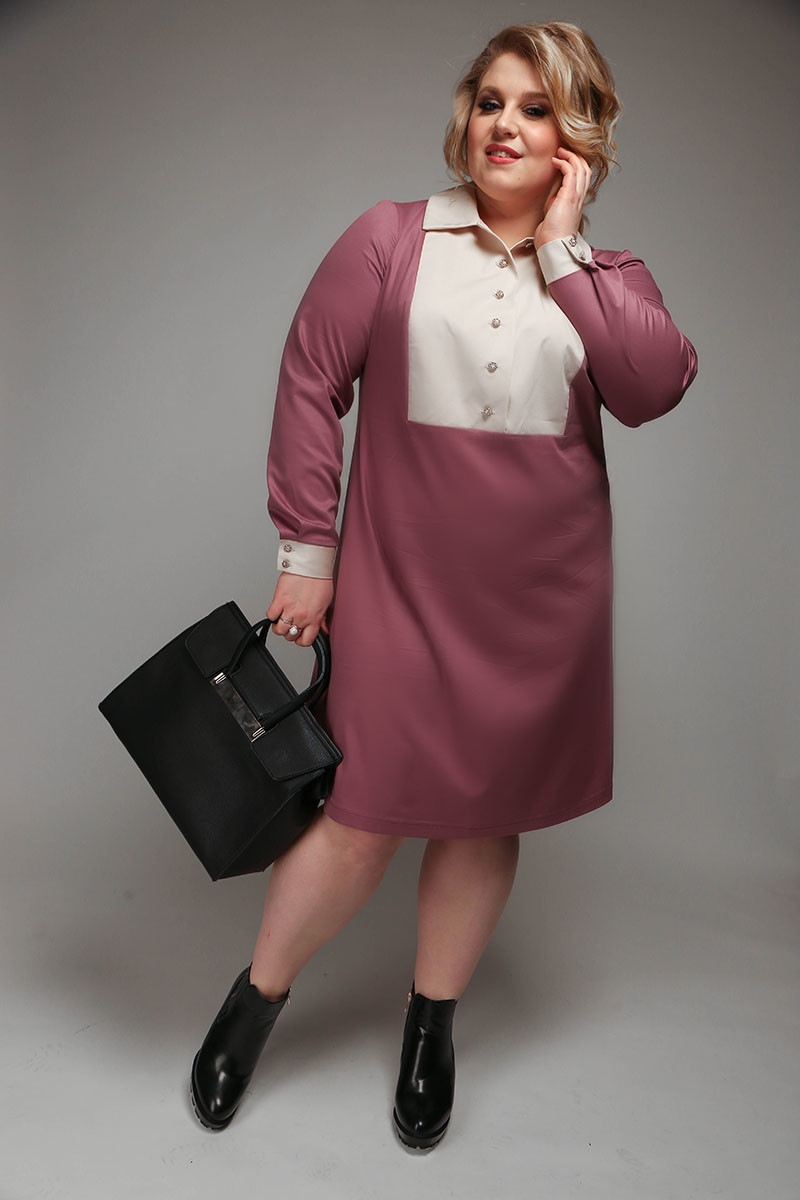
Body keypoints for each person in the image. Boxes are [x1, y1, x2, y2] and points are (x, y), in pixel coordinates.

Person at [189, 20, 698, 1151]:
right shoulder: (390, 238)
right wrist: (307, 554)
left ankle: (431, 1025)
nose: (503, 125)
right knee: (358, 821)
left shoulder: (609, 279)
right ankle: (256, 999)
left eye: (535, 108)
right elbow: (309, 379)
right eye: (490, 100)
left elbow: (651, 388)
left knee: (481, 819)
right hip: (399, 591)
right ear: (465, 114)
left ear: (577, 141)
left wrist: (561, 252)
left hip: (541, 612)